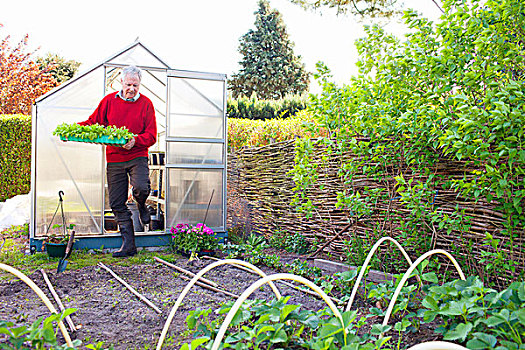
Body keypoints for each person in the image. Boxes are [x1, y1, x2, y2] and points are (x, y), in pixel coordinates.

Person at [78, 65, 157, 257]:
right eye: (128, 84)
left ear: (140, 85)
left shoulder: (146, 104)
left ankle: (141, 203)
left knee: (141, 187)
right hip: (114, 157)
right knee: (116, 202)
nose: (131, 88)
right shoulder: (108, 102)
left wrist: (135, 140)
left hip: (137, 155)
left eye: (135, 85)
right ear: (121, 82)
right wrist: (75, 131)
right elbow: (93, 123)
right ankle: (129, 245)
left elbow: (152, 135)